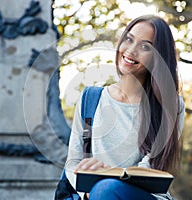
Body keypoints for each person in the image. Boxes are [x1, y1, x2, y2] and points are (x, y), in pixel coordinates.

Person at [65, 15, 185, 200]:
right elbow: (73, 161)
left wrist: (106, 176)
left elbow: (150, 168)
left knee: (106, 189)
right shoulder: (90, 98)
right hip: (94, 195)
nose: (131, 51)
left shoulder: (171, 105)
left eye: (145, 47)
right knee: (102, 190)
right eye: (129, 39)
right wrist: (87, 190)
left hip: (143, 196)